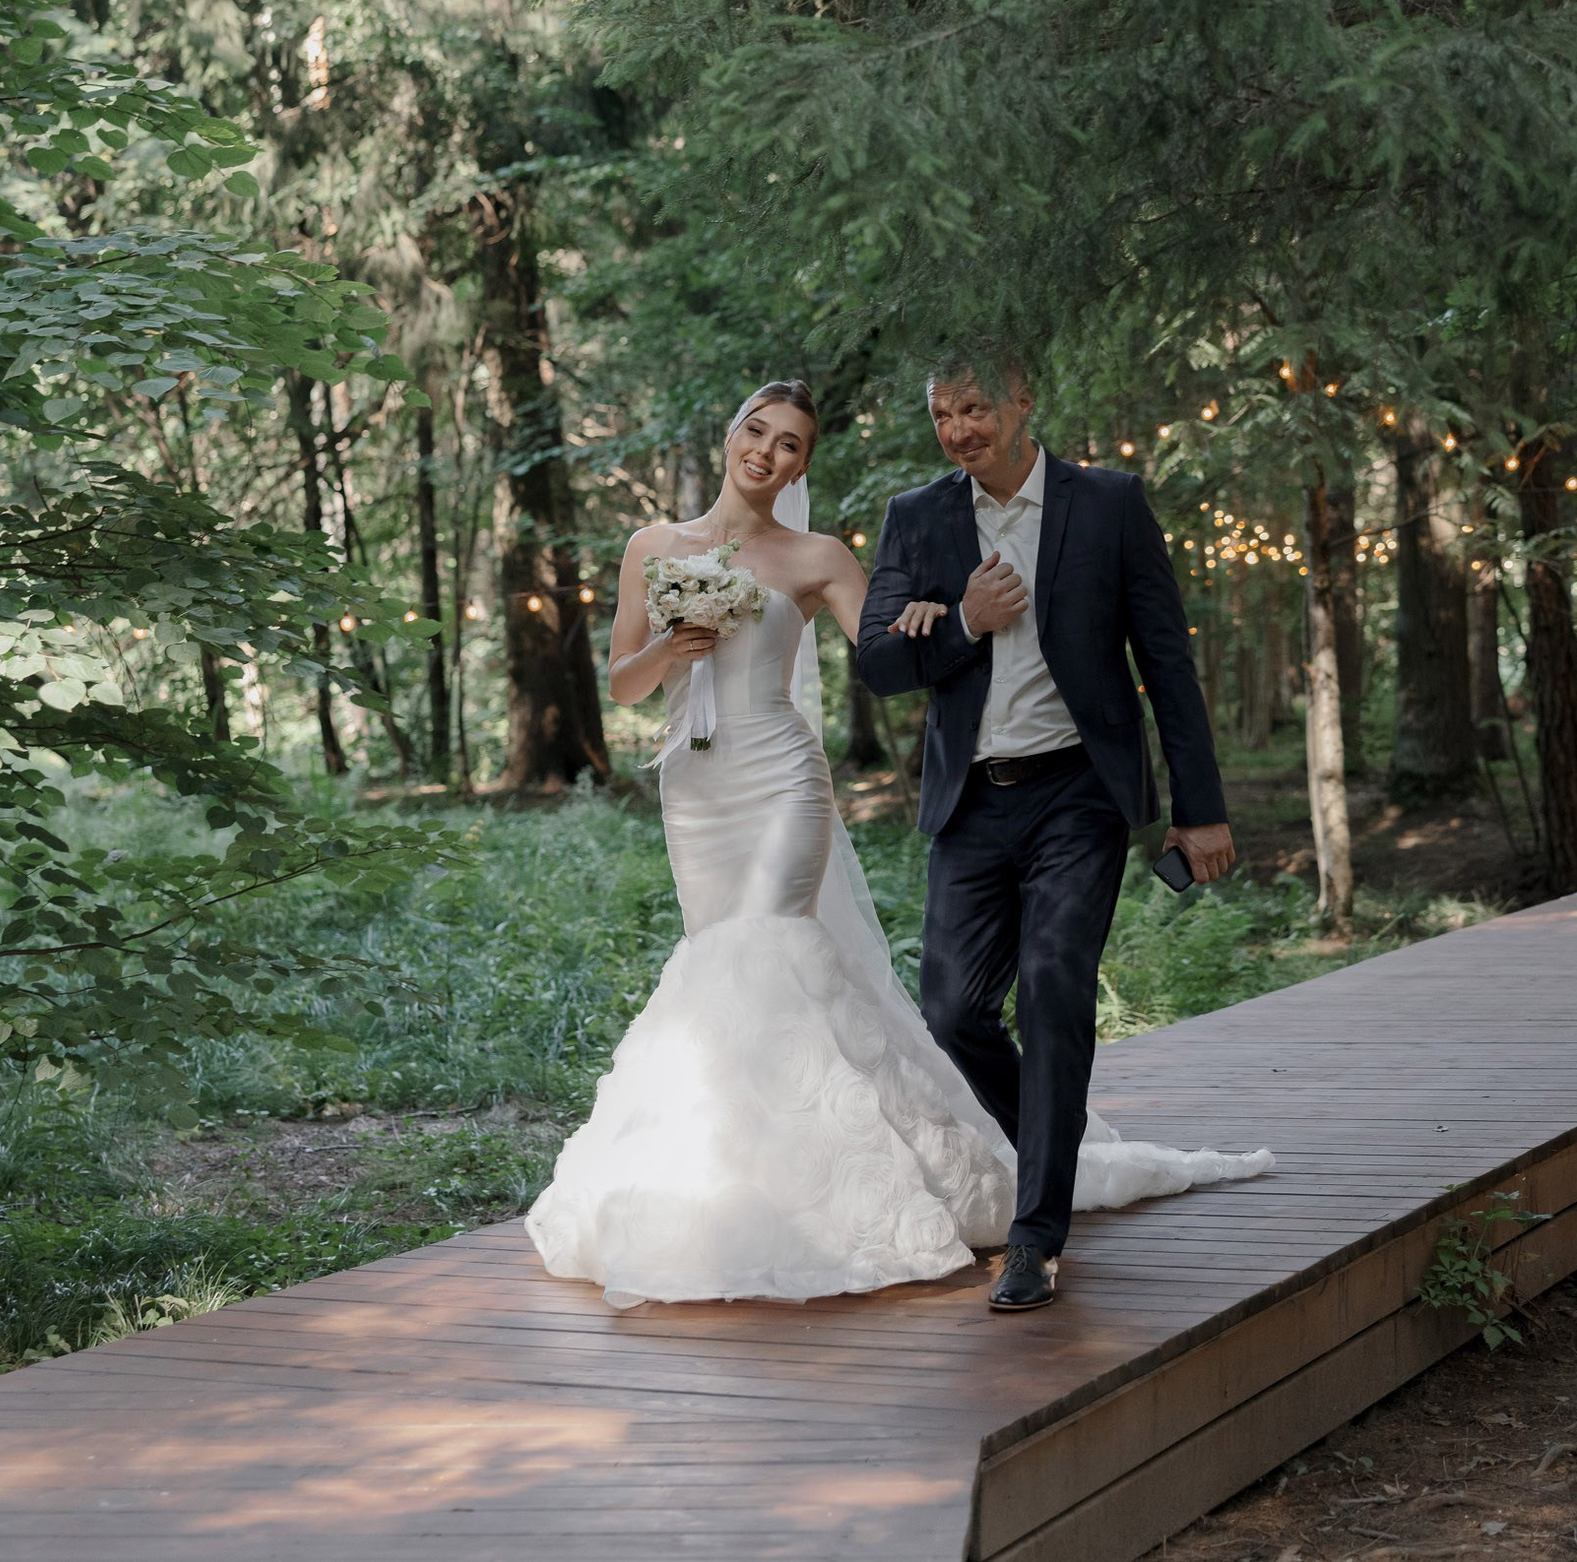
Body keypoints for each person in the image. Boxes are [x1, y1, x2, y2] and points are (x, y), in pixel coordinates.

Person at [525, 379, 1267, 1310]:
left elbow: (882, 649)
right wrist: (680, 647)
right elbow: (625, 685)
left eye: (791, 444)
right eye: (758, 432)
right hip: (697, 790)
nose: (769, 452)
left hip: (788, 782)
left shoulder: (819, 553)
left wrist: (935, 617)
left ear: (803, 464)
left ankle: (1002, 1207)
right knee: (750, 979)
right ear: (729, 433)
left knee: (779, 952)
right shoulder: (651, 548)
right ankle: (738, 1179)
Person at [852, 350, 1241, 1312]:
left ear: (1024, 402)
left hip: (1079, 792)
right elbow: (875, 663)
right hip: (970, 802)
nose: (958, 430)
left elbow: (1166, 663)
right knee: (950, 1012)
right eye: (943, 413)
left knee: (1054, 983)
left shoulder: (1106, 504)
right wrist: (963, 625)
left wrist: (1201, 808)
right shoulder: (918, 515)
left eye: (976, 407)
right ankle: (1052, 1146)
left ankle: (1037, 1235)